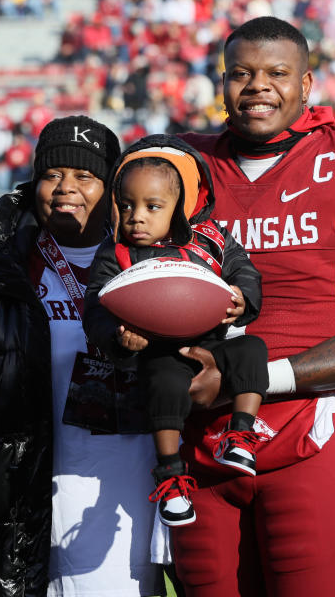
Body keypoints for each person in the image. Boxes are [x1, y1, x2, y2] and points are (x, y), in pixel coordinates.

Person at [173, 16, 335, 595]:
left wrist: (251, 378)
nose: (258, 87)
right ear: (222, 83)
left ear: (307, 85)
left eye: (277, 73)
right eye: (241, 74)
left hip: (307, 425)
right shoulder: (183, 165)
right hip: (196, 433)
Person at [0, 117, 169, 597]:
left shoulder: (159, 264)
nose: (66, 188)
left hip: (120, 493)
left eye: (85, 176)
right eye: (53, 175)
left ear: (112, 186)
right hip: (17, 501)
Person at [83, 134, 268, 527]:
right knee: (163, 381)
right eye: (127, 206)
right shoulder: (115, 252)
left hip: (212, 344)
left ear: (180, 207)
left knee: (253, 349)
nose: (137, 216)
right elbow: (95, 307)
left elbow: (245, 271)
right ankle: (169, 473)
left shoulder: (212, 238)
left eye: (153, 207)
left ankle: (241, 434)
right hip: (160, 352)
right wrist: (119, 335)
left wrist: (242, 298)